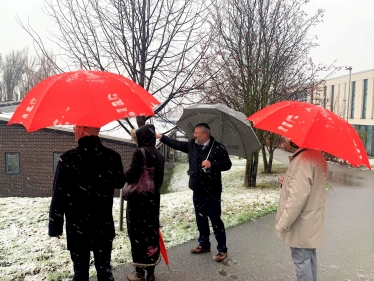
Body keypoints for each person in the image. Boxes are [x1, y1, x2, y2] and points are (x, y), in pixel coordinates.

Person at [49, 125, 125, 281]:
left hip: (77, 227)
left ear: (81, 129)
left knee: (80, 272)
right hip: (103, 224)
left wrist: (55, 226)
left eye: (74, 127)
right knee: (105, 270)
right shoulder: (112, 157)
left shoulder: (67, 159)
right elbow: (120, 183)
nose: (73, 130)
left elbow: (58, 195)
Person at [156, 123, 232, 262]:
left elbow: (227, 164)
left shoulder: (218, 147)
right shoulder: (192, 145)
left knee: (215, 220)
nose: (194, 135)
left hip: (212, 191)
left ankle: (222, 249)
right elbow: (177, 144)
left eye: (196, 133)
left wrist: (212, 164)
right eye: (194, 133)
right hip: (197, 189)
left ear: (205, 134)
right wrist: (161, 137)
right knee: (200, 218)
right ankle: (204, 244)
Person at [274, 141, 328, 281]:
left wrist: (282, 224)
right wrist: (288, 182)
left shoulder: (303, 159)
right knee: (308, 259)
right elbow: (308, 186)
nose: (288, 138)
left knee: (302, 263)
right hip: (310, 219)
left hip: (301, 222)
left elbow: (296, 200)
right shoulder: (316, 155)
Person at [125, 124, 165, 281]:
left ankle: (139, 273)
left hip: (138, 203)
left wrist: (125, 174)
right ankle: (151, 273)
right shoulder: (159, 155)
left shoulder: (139, 153)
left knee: (137, 235)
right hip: (153, 202)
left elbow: (131, 176)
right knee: (151, 234)